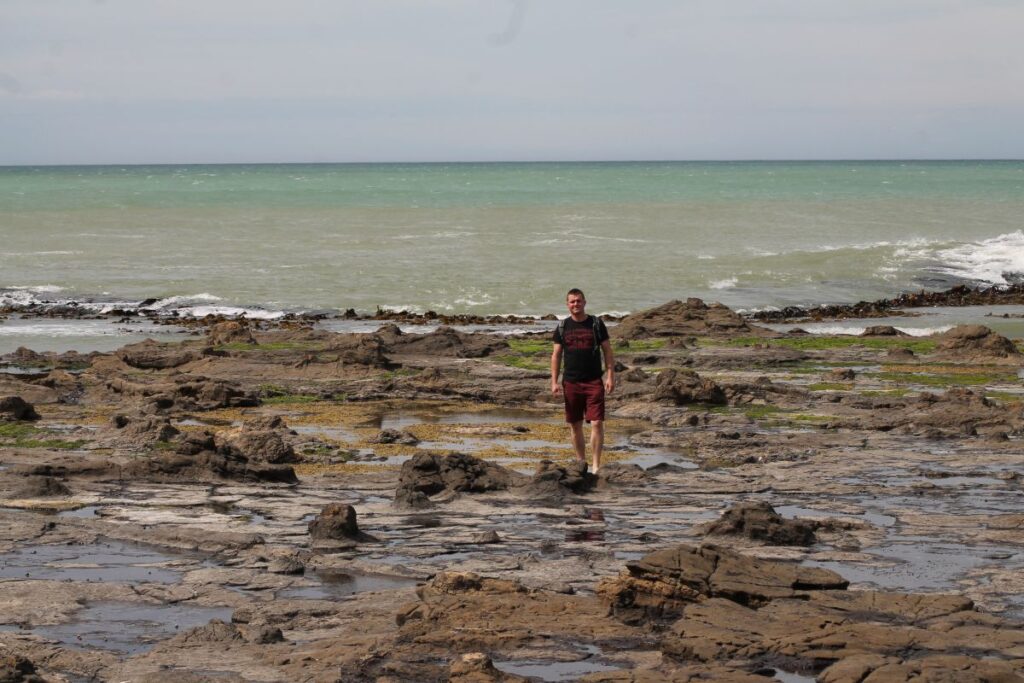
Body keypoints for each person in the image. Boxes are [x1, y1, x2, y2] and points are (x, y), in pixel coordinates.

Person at [550, 288, 614, 473]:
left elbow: (608, 351)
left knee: (596, 422)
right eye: (572, 302)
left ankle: (595, 465)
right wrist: (554, 382)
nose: (575, 304)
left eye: (578, 301)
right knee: (575, 424)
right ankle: (581, 463)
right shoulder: (562, 327)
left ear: (584, 302)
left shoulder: (596, 324)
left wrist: (610, 376)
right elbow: (556, 356)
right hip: (571, 382)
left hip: (594, 381)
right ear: (567, 304)